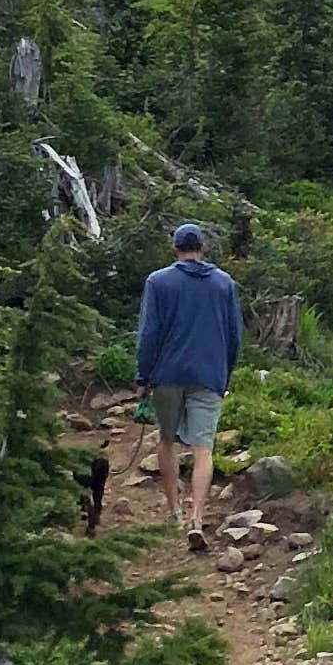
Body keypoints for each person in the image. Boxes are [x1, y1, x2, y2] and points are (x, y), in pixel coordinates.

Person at [135, 221, 246, 553]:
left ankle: (174, 512)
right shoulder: (224, 284)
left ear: (175, 250)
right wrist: (224, 374)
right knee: (204, 450)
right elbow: (234, 336)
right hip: (209, 375)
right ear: (202, 249)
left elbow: (148, 334)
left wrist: (143, 377)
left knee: (166, 441)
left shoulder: (158, 282)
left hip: (167, 375)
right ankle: (197, 518)